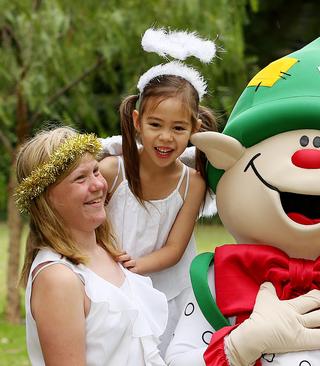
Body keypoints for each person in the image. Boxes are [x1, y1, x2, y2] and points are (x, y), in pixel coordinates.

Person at [99, 28, 218, 352]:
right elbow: (91, 226)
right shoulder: (112, 171)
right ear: (137, 121)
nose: (166, 137)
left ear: (194, 128)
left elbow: (175, 248)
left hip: (166, 292)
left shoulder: (192, 183)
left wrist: (134, 267)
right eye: (156, 125)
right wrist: (111, 263)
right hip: (110, 284)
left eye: (178, 128)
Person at [17, 126, 168, 366]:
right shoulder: (59, 279)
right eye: (80, 178)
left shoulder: (106, 251)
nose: (98, 185)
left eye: (96, 171)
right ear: (47, 198)